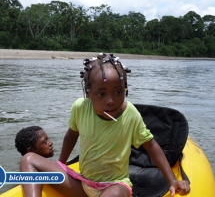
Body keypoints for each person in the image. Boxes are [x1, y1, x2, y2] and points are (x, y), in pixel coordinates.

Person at [20, 53, 190, 197]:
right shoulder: (81, 107)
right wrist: (61, 164)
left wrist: (172, 180)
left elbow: (151, 146)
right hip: (83, 184)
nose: (111, 101)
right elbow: (71, 135)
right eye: (101, 94)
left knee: (114, 194)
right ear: (88, 93)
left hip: (115, 187)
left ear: (126, 89)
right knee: (29, 159)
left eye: (118, 91)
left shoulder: (130, 113)